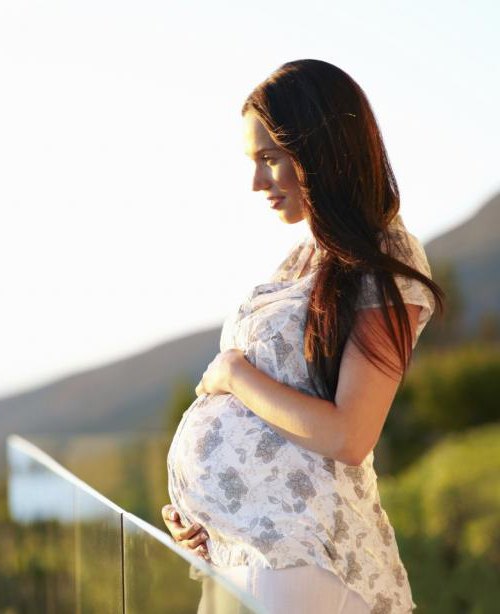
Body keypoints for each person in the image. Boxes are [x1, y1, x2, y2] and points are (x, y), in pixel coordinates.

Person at [161, 59, 445, 614]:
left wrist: (233, 374)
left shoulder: (386, 254)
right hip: (243, 554)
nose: (257, 182)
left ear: (322, 152)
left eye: (271, 159)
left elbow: (349, 435)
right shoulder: (299, 262)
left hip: (301, 558)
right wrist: (201, 510)